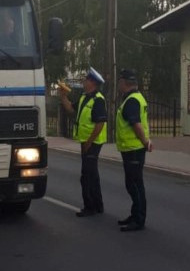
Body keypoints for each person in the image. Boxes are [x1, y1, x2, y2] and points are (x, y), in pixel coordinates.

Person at [59, 67, 107, 217]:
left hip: (93, 142)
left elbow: (100, 124)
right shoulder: (84, 97)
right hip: (86, 141)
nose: (84, 81)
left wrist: (89, 142)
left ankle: (90, 207)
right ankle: (98, 205)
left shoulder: (98, 99)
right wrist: (63, 97)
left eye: (86, 79)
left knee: (87, 175)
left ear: (92, 83)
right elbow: (70, 109)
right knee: (92, 174)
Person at [115, 68, 151, 232]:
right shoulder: (135, 97)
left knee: (134, 185)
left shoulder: (131, 101)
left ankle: (139, 219)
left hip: (134, 149)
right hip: (132, 148)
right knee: (133, 183)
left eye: (119, 81)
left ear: (124, 82)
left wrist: (145, 142)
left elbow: (136, 124)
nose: (118, 85)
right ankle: (135, 214)